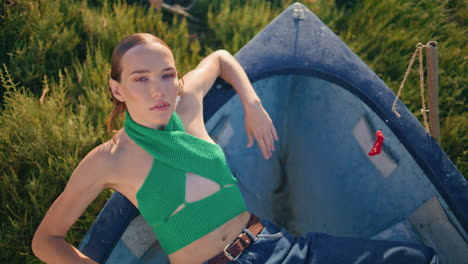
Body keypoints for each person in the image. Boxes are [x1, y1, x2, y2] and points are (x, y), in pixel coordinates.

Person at [32, 33, 437, 264]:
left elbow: (222, 58)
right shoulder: (109, 160)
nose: (159, 89)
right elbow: (46, 239)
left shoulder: (185, 101)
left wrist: (252, 103)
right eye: (140, 79)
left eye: (167, 74)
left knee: (413, 260)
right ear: (117, 88)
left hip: (274, 245)